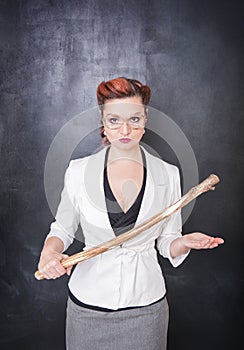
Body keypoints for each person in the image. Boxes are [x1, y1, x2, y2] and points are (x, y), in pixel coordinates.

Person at [37, 77, 224, 350]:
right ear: (103, 120)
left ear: (145, 117)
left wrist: (183, 242)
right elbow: (63, 229)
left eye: (134, 119)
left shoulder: (168, 174)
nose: (125, 129)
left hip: (146, 309)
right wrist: (49, 252)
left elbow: (167, 239)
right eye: (114, 120)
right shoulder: (78, 171)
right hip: (88, 309)